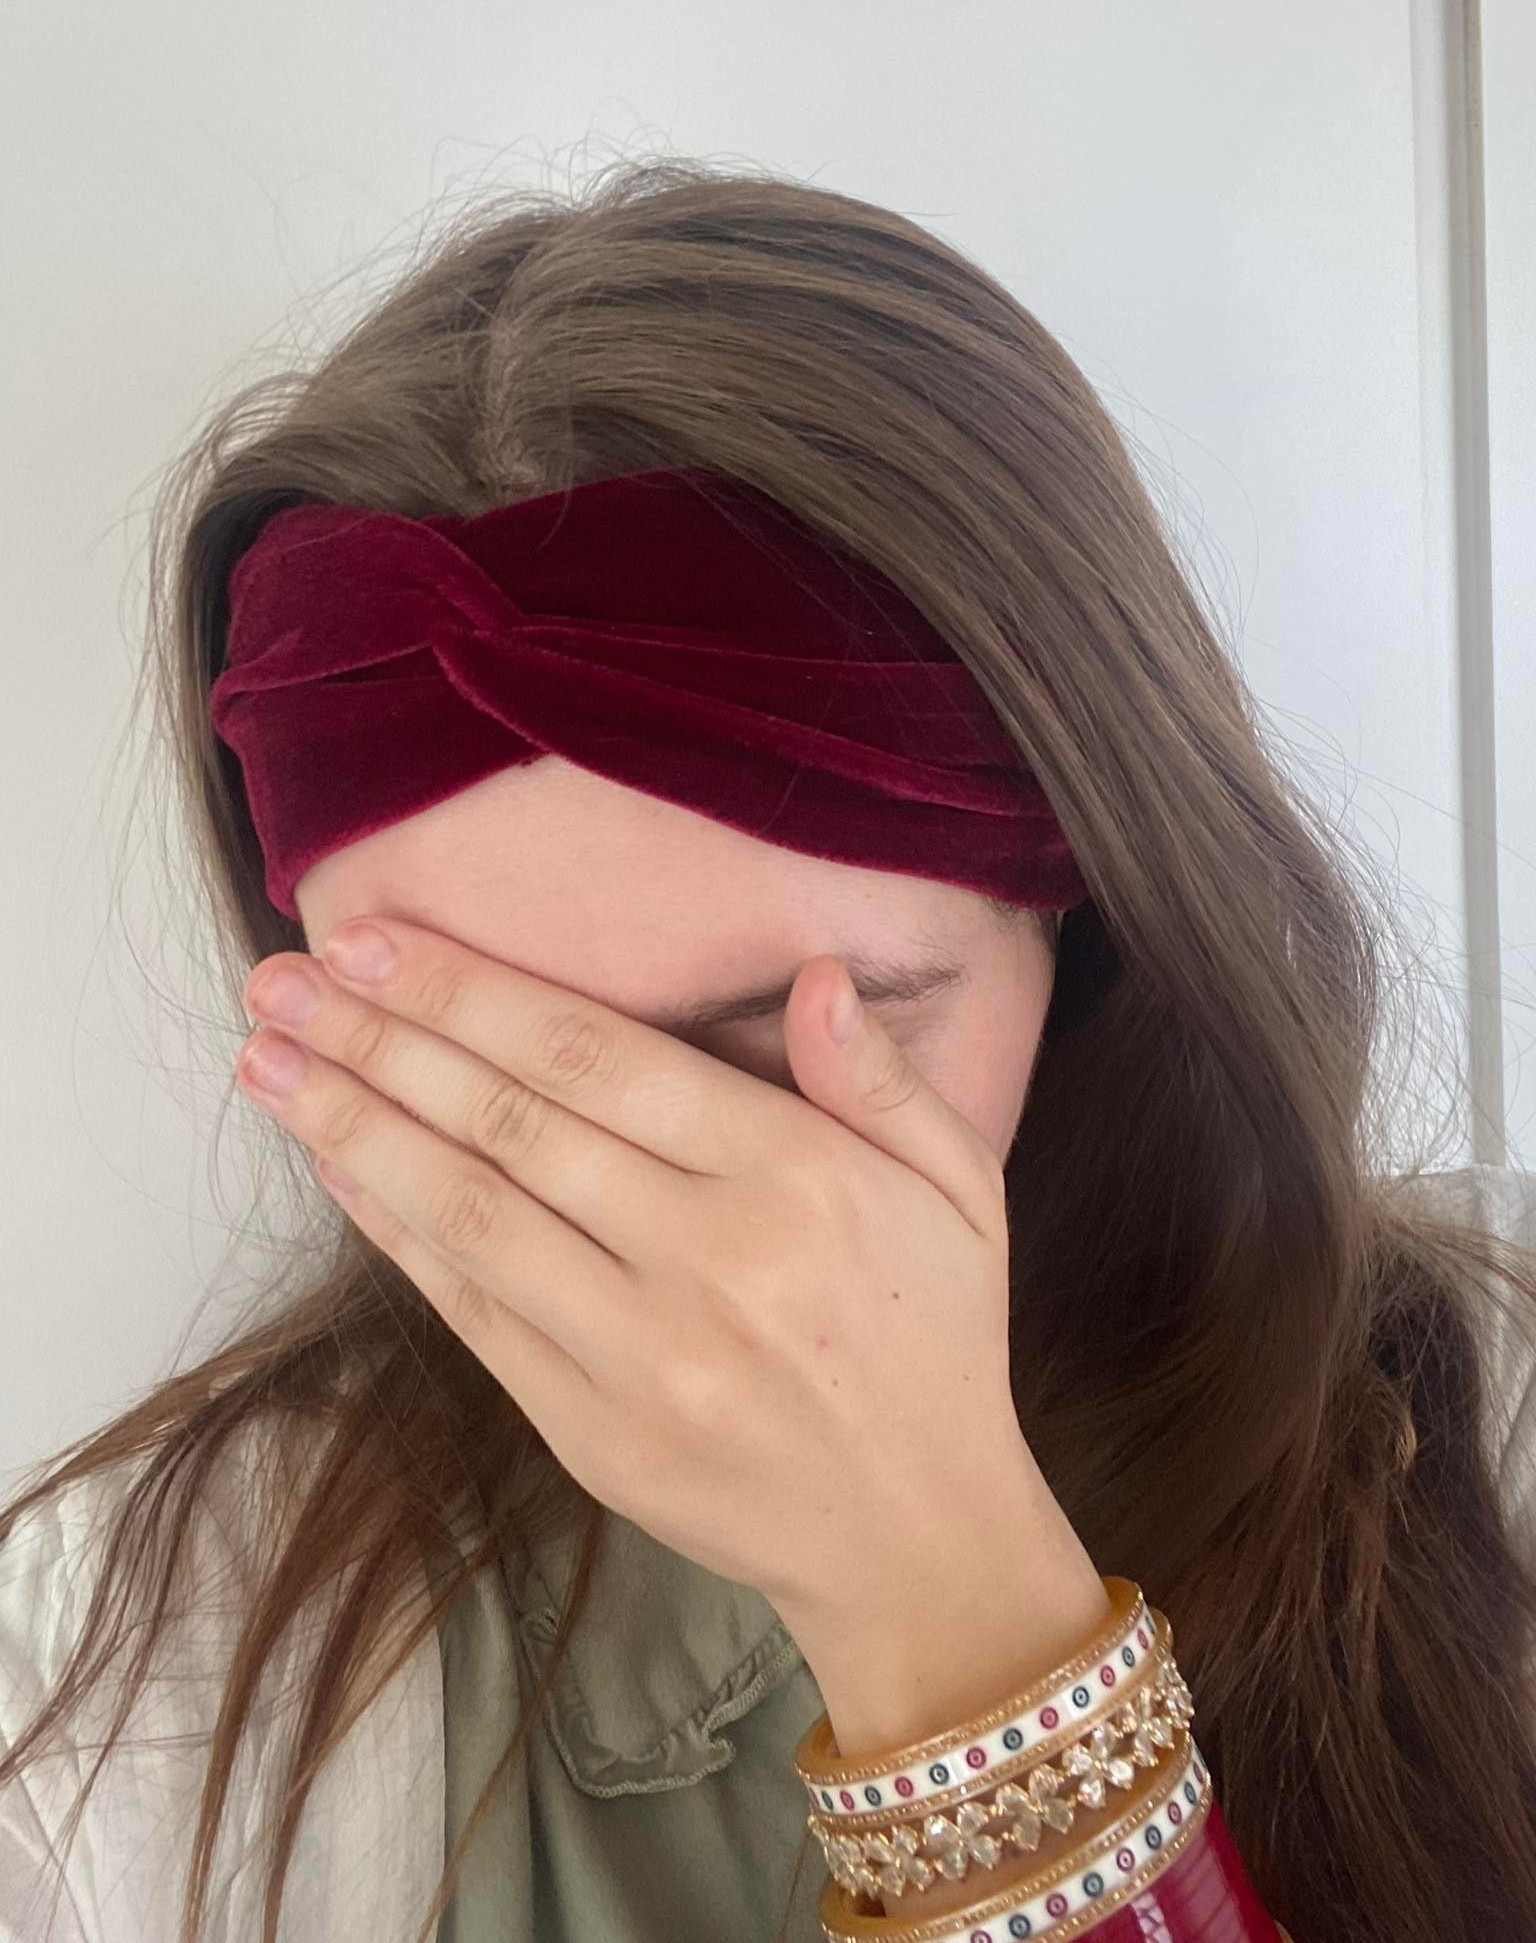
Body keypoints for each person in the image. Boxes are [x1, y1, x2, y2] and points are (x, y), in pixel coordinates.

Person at [3, 156, 1535, 1943]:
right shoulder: (118, 1693)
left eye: (801, 1030)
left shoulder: (1496, 1434)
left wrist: (951, 1619)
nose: (658, 1194)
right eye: (471, 1068)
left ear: (1089, 921)